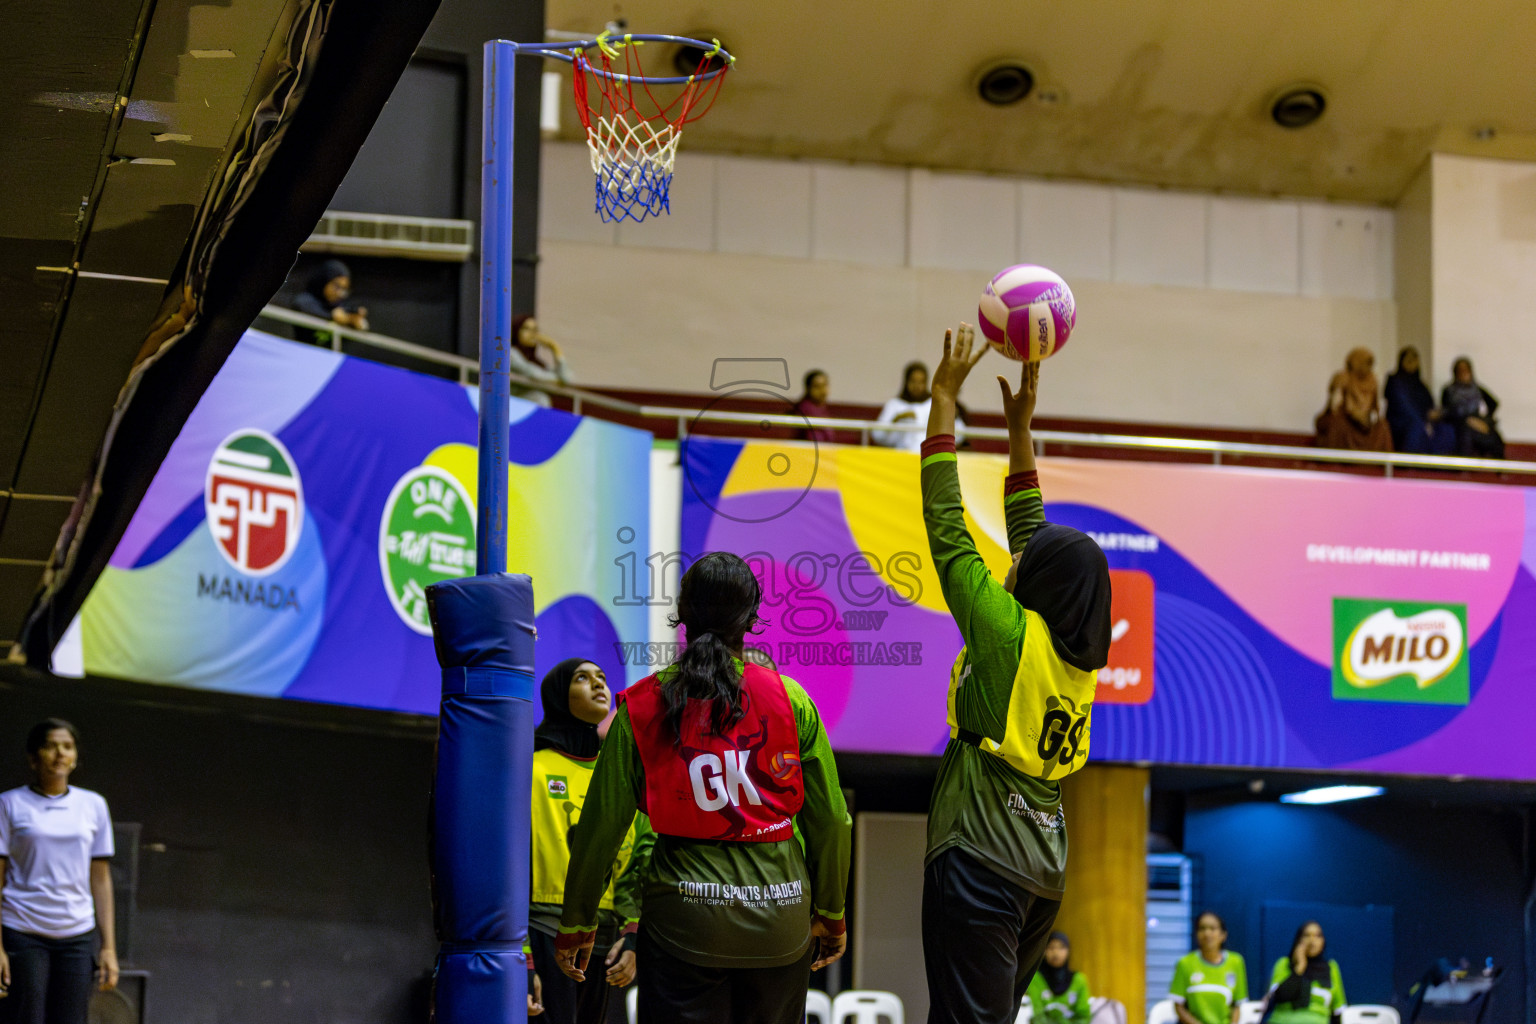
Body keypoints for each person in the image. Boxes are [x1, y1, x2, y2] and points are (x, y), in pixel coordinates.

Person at [554, 552, 852, 1024]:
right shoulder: (793, 700)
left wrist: (577, 922)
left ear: (682, 614)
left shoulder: (640, 706)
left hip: (682, 928)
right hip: (781, 926)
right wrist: (831, 912)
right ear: (752, 619)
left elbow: (601, 827)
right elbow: (832, 821)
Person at [918, 324, 1112, 1024]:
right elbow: (1036, 533)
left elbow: (945, 521)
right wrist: (1019, 433)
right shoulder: (1074, 651)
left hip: (981, 856)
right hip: (1041, 870)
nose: (1015, 559)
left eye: (1026, 564)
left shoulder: (1005, 630)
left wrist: (942, 401)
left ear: (1039, 586)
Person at [529, 659, 653, 1024]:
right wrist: (522, 958)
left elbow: (638, 860)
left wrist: (632, 934)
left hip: (606, 940)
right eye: (582, 678)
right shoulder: (531, 769)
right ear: (556, 694)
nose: (598, 685)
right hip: (545, 931)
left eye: (602, 678)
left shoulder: (621, 775)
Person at [0, 720, 119, 1024]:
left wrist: (108, 947)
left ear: (75, 757)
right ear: (33, 758)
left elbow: (101, 879)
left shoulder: (93, 805)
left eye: (67, 747)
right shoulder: (9, 803)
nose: (59, 754)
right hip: (23, 929)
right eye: (51, 746)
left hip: (76, 934)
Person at [1170, 912, 1247, 1024]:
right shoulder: (1184, 963)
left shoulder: (1236, 962)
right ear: (1196, 934)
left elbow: (1237, 1006)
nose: (1207, 933)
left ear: (1223, 935)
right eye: (1202, 928)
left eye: (1212, 928)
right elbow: (1179, 1007)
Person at [1265, 921, 1346, 1024]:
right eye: (1307, 935)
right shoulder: (1284, 964)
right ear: (1299, 940)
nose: (1312, 941)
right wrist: (1300, 967)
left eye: (1317, 936)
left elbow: (1337, 1012)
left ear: (1323, 942)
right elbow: (1280, 997)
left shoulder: (1331, 968)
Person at [875, 361, 966, 452]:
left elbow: (959, 436)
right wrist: (896, 419)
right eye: (913, 381)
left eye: (921, 382)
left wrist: (954, 415)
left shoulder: (934, 403)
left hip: (928, 457)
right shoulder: (894, 404)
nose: (917, 386)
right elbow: (877, 436)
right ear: (906, 381)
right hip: (901, 457)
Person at [1315, 348, 1392, 452]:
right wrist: (1353, 413)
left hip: (1365, 420)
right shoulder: (1342, 378)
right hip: (1346, 417)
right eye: (1365, 363)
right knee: (1337, 424)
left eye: (1370, 364)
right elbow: (1334, 406)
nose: (1368, 367)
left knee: (1383, 426)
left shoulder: (1372, 381)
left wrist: (1367, 418)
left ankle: (1378, 462)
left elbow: (1375, 408)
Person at [1383, 348, 1455, 456]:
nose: (1412, 363)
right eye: (1409, 360)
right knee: (1417, 426)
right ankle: (1411, 464)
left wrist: (1436, 414)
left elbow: (1430, 404)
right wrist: (1424, 418)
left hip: (1423, 419)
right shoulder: (1395, 381)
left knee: (1446, 429)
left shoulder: (1420, 385)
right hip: (1401, 421)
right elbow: (1403, 406)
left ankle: (1439, 464)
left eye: (1415, 360)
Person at [290, 259, 368, 344]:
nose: (339, 293)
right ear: (324, 281)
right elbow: (300, 306)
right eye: (336, 286)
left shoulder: (339, 305)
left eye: (344, 289)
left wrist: (353, 322)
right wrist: (332, 316)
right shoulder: (305, 301)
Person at [1440, 357, 1505, 459]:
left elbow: (1493, 404)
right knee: (1466, 434)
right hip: (1460, 425)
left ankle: (1500, 470)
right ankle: (1464, 469)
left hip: (1479, 423)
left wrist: (1485, 421)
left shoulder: (1478, 390)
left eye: (1466, 369)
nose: (1464, 372)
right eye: (1460, 370)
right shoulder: (1449, 391)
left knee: (1494, 436)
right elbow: (1447, 412)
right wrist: (1468, 420)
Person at [1025, 933, 1091, 1024]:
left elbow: (1083, 1016)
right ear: (1044, 951)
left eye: (1061, 947)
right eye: (1051, 947)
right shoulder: (1035, 978)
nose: (1056, 953)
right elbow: (1037, 1015)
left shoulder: (1078, 980)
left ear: (1068, 951)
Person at [510, 314, 572, 407]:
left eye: (535, 330)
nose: (532, 334)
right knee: (540, 398)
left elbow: (566, 379)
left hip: (527, 407)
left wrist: (555, 348)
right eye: (526, 329)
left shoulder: (537, 361)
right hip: (511, 405)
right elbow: (533, 373)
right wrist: (557, 380)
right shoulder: (510, 353)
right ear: (516, 331)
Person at [794, 370, 836, 444]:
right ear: (808, 389)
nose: (822, 391)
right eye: (817, 387)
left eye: (824, 385)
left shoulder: (822, 408)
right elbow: (814, 439)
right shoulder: (805, 409)